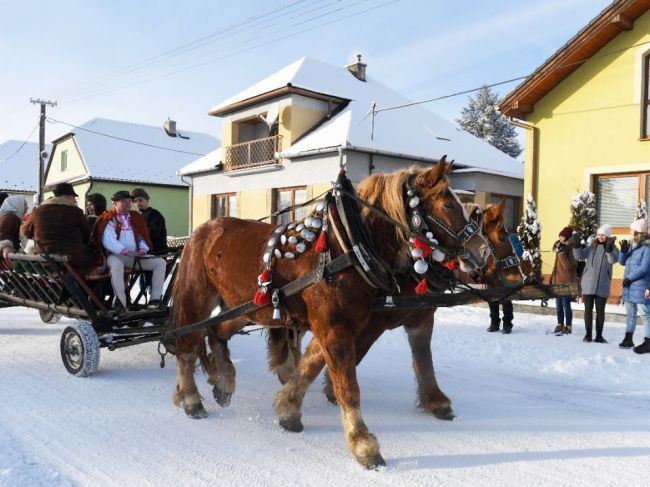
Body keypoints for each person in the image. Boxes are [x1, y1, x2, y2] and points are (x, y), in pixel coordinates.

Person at [94, 191, 166, 313]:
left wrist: (143, 249)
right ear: (115, 203)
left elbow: (142, 236)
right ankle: (120, 303)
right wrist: (126, 252)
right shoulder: (109, 218)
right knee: (117, 265)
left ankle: (155, 300)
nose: (128, 203)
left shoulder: (135, 217)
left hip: (134, 256)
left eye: (129, 201)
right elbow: (109, 241)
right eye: (124, 201)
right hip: (115, 256)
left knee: (160, 263)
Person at [20, 183, 97, 275]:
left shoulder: (38, 211)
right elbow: (87, 235)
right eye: (73, 198)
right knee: (94, 257)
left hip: (45, 257)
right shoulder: (76, 212)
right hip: (73, 258)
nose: (74, 200)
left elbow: (25, 231)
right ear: (68, 197)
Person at [572, 224, 618, 343]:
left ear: (608, 236)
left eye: (603, 235)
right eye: (599, 234)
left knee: (600, 311)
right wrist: (576, 246)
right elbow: (579, 256)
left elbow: (612, 260)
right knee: (588, 310)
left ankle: (599, 336)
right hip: (588, 283)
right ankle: (588, 335)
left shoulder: (614, 248)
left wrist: (609, 250)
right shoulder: (591, 246)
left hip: (603, 284)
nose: (600, 237)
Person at [617, 218, 650, 352]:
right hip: (629, 285)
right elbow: (622, 262)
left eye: (632, 230)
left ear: (638, 231)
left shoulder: (647, 247)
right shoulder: (631, 245)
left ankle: (648, 341)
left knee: (645, 314)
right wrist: (623, 252)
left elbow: (644, 268)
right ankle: (628, 338)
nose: (630, 232)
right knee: (630, 313)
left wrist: (630, 278)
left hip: (641, 284)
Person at [487, 231, 523, 334]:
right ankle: (494, 323)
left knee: (506, 300)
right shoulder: (490, 238)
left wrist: (507, 258)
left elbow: (518, 251)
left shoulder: (511, 238)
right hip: (493, 274)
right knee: (492, 299)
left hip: (506, 274)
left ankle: (507, 324)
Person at [551, 226, 579, 335]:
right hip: (557, 281)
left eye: (563, 237)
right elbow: (556, 266)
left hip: (567, 282)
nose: (560, 238)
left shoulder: (572, 249)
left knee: (566, 305)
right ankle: (560, 324)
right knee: (558, 306)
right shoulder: (560, 248)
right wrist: (552, 278)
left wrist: (561, 253)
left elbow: (567, 265)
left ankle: (568, 326)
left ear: (568, 238)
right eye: (560, 236)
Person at [130, 187, 167, 255]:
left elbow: (152, 235)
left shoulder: (155, 214)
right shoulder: (138, 216)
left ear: (147, 200)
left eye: (140, 200)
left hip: (156, 253)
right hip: (142, 251)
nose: (138, 203)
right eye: (135, 201)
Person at [0, 195, 28, 262]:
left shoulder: (12, 217)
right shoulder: (10, 218)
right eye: (25, 205)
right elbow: (2, 235)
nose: (27, 207)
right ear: (17, 205)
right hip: (8, 257)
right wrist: (6, 248)